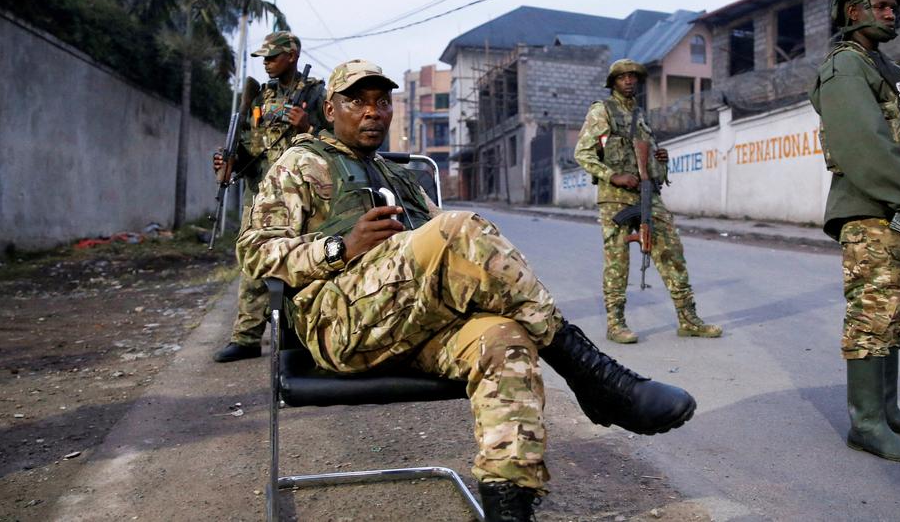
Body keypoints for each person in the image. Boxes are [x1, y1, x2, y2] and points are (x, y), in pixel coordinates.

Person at [237, 59, 697, 521]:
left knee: (504, 340)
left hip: (416, 323)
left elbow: (457, 249)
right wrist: (341, 246)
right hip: (344, 325)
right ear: (330, 110)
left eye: (382, 102)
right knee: (457, 229)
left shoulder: (398, 176)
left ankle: (509, 507)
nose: (373, 111)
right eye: (357, 101)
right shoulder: (301, 164)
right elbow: (255, 253)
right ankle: (595, 376)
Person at [809, 0, 900, 464]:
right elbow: (862, 144)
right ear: (853, 10)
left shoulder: (887, 67)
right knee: (872, 313)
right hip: (874, 209)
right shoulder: (846, 66)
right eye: (882, 5)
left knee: (897, 311)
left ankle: (887, 409)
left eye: (894, 6)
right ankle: (866, 424)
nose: (892, 13)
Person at [573, 59, 722, 344]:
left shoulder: (640, 115)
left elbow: (644, 155)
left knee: (671, 252)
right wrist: (613, 176)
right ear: (613, 82)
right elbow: (582, 153)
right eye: (622, 77)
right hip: (615, 197)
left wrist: (660, 160)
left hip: (647, 193)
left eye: (633, 76)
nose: (629, 81)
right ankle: (616, 324)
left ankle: (688, 318)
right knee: (617, 259)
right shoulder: (602, 110)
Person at [212, 31, 327, 363]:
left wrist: (308, 127)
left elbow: (337, 141)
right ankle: (246, 338)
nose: (266, 63)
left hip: (304, 194)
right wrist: (229, 160)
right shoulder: (260, 97)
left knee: (306, 263)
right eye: (264, 58)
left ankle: (306, 337)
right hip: (262, 193)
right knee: (254, 264)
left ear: (292, 55)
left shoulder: (316, 94)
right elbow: (250, 147)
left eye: (272, 57)